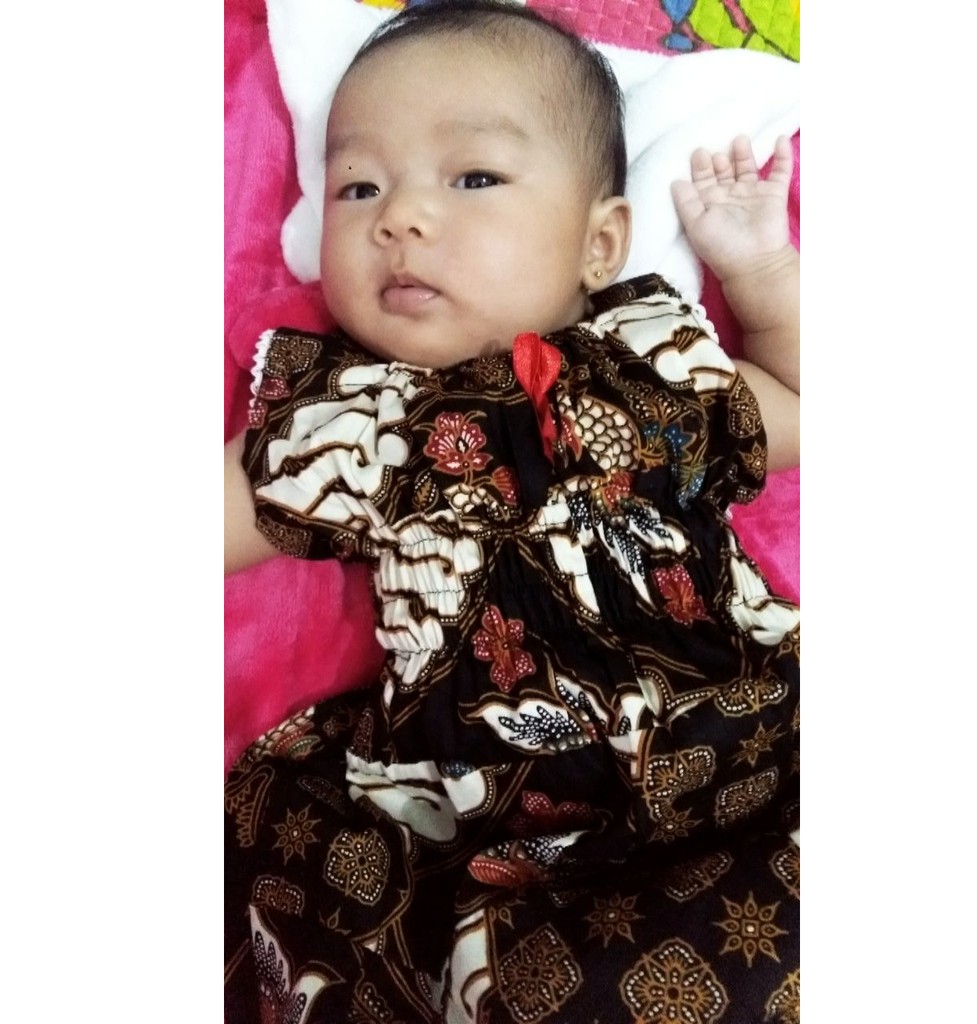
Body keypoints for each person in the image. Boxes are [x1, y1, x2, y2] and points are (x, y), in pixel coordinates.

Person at [224, 1, 800, 1021]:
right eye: (359, 185)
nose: (400, 216)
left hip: (742, 762)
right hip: (496, 837)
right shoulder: (359, 422)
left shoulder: (653, 371)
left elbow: (802, 408)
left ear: (599, 242)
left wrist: (761, 271)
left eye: (474, 177)